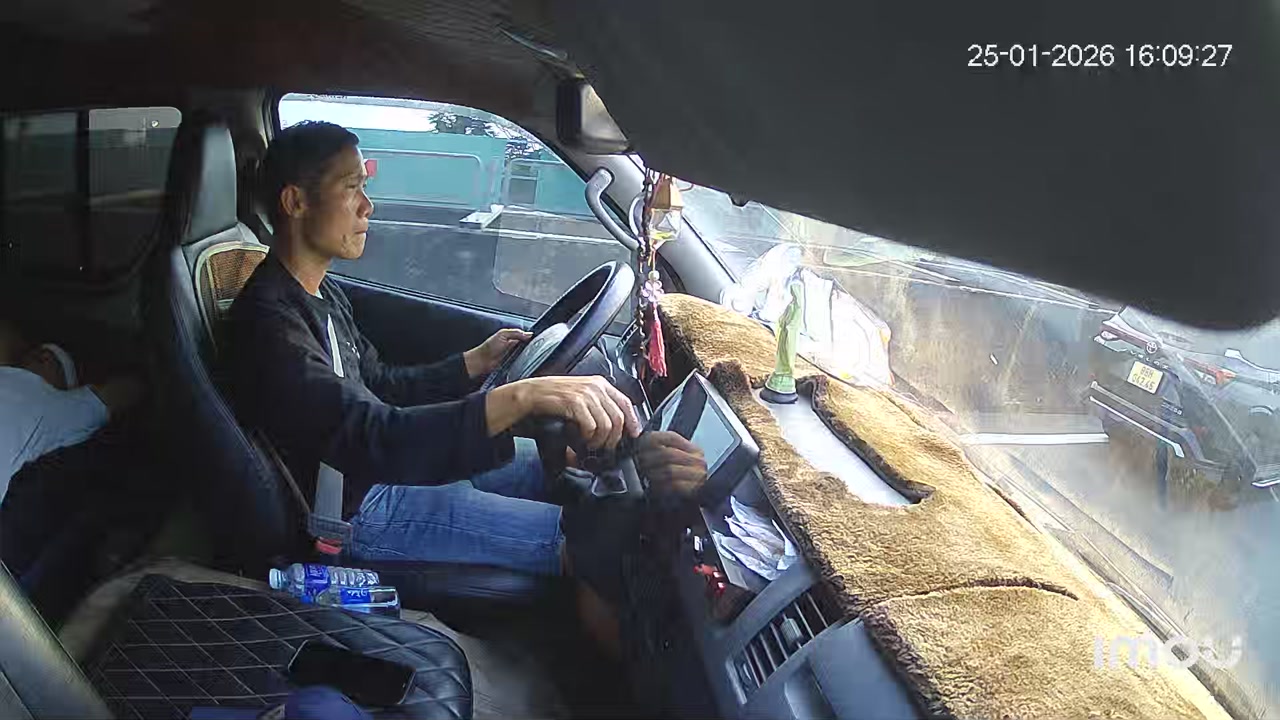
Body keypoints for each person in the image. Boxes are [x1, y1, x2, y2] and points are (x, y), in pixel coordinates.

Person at [226, 121, 642, 578]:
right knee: (585, 541)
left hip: (380, 469)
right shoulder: (271, 324)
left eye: (365, 187)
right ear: (295, 202)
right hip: (355, 505)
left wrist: (474, 362)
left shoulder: (320, 293)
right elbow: (373, 435)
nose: (368, 206)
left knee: (565, 466)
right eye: (350, 188)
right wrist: (520, 398)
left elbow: (380, 384)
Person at [0, 317, 142, 501]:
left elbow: (123, 392)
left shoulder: (58, 408)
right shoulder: (8, 374)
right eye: (39, 352)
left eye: (55, 359)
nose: (43, 354)